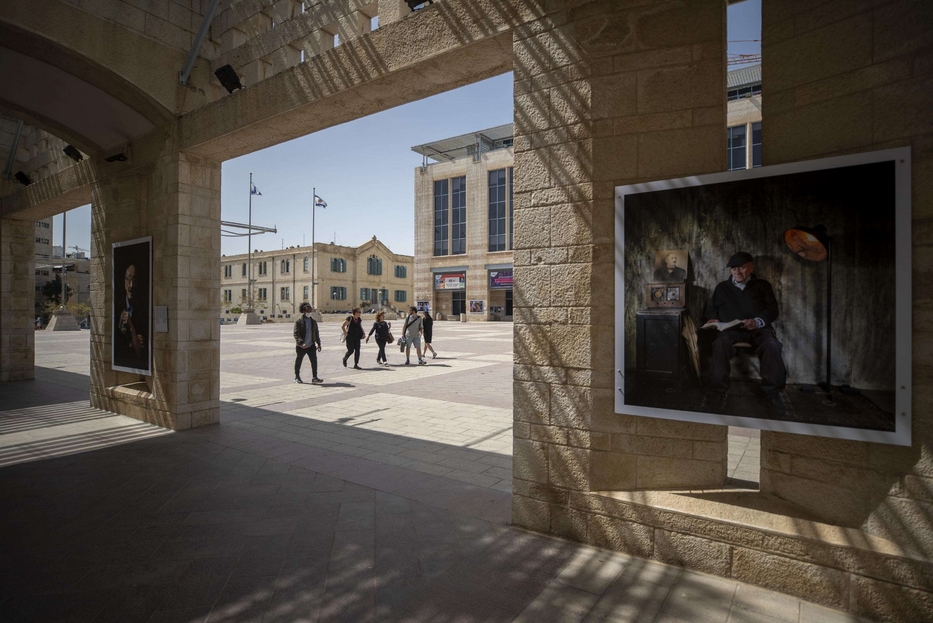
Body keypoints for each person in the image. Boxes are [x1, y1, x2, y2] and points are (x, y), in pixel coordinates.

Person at [704, 252, 788, 415]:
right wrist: (713, 319)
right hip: (730, 330)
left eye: (741, 267)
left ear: (751, 267)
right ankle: (717, 392)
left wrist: (757, 321)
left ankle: (773, 392)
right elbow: (711, 308)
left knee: (772, 345)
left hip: (758, 329)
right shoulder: (722, 287)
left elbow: (773, 310)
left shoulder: (763, 285)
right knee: (720, 344)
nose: (737, 272)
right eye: (733, 268)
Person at [115, 263, 148, 369]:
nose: (131, 285)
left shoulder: (144, 309)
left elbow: (140, 349)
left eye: (134, 280)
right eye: (128, 279)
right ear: (124, 282)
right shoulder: (117, 307)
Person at [293, 302, 322, 384]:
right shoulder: (299, 322)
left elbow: (316, 333)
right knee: (299, 361)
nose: (309, 312)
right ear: (303, 311)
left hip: (311, 345)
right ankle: (297, 377)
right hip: (301, 346)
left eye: (310, 310)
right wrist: (301, 343)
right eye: (307, 310)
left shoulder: (313, 322)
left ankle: (315, 377)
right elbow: (296, 334)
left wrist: (319, 343)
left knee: (314, 361)